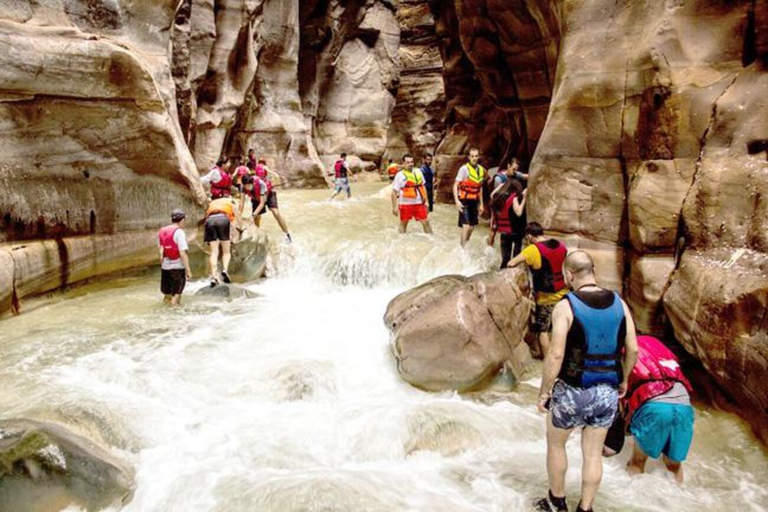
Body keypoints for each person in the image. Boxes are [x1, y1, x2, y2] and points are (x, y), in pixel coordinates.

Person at [534, 250, 639, 512]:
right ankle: (586, 507)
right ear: (593, 271)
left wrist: (544, 392)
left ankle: (557, 502)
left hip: (571, 390)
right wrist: (624, 380)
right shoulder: (620, 304)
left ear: (569, 275)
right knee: (593, 454)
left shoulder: (565, 306)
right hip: (606, 391)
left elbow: (556, 353)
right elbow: (633, 349)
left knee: (556, 445)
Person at [623, 335, 694, 484]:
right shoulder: (654, 341)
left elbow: (620, 393)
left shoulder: (625, 349)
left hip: (654, 404)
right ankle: (678, 499)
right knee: (674, 465)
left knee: (637, 461)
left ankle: (634, 498)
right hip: (684, 404)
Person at [507, 222, 568, 356]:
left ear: (529, 236)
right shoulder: (560, 246)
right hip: (565, 295)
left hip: (546, 298)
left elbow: (511, 263)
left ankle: (547, 361)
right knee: (561, 329)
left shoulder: (533, 250)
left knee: (543, 331)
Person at [489, 179, 527, 268]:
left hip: (504, 232)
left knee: (505, 259)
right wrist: (525, 198)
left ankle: (502, 276)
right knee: (515, 258)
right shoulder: (513, 198)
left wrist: (500, 186)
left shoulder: (498, 198)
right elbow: (519, 212)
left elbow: (492, 195)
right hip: (515, 232)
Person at [254, 158, 293, 243]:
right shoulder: (263, 167)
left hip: (267, 191)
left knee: (260, 215)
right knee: (273, 213)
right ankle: (287, 234)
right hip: (262, 191)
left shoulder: (257, 168)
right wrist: (275, 177)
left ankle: (287, 234)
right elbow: (274, 174)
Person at [391, 154, 433, 234]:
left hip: (419, 203)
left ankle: (432, 239)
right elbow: (394, 192)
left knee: (426, 222)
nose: (410, 164)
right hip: (405, 204)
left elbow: (423, 187)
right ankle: (401, 240)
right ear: (403, 163)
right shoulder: (399, 175)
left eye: (412, 162)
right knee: (404, 223)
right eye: (408, 162)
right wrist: (394, 207)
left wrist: (426, 202)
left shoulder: (418, 172)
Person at [158, 209, 192, 306]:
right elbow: (183, 253)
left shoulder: (163, 230)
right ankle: (174, 317)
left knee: (167, 295)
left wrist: (163, 265)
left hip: (165, 268)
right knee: (176, 296)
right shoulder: (179, 232)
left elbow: (161, 250)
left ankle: (164, 315)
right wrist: (188, 270)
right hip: (177, 268)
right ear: (182, 220)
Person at [204, 196, 241, 286]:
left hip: (210, 221)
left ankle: (214, 276)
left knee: (214, 252)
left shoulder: (212, 203)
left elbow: (206, 216)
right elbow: (238, 216)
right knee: (226, 252)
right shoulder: (231, 202)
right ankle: (225, 270)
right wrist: (241, 228)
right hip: (223, 219)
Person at [453, 148, 486, 247]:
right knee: (466, 226)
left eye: (476, 156)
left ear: (478, 157)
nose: (474, 158)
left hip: (474, 200)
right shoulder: (464, 169)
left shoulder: (481, 169)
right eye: (472, 156)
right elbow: (455, 185)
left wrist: (481, 204)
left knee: (471, 227)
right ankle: (462, 249)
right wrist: (457, 201)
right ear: (469, 157)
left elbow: (480, 187)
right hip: (464, 200)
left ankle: (464, 244)